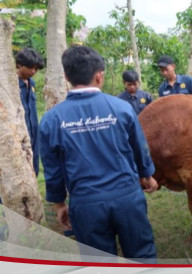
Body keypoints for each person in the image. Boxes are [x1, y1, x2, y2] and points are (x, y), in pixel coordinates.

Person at [40, 45, 158, 261]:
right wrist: (147, 175)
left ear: (66, 76)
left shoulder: (51, 120)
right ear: (99, 76)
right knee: (142, 255)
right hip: (127, 198)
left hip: (86, 204)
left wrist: (59, 204)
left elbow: (52, 170)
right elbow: (139, 148)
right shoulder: (121, 109)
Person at [16, 48, 44, 177]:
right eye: (30, 67)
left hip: (33, 132)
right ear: (19, 65)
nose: (33, 71)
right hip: (19, 135)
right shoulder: (11, 84)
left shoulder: (31, 83)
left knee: (34, 165)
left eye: (36, 68)